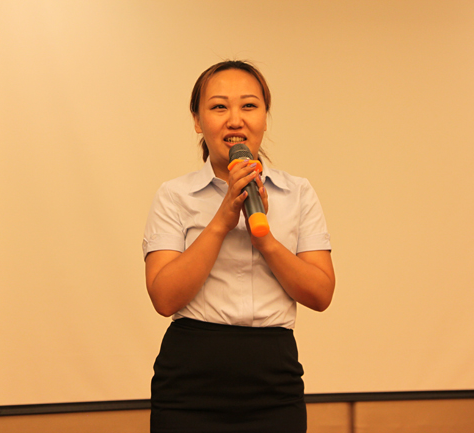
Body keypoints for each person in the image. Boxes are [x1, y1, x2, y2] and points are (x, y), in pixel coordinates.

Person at [142, 60, 335, 433]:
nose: (235, 120)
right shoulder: (174, 195)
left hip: (274, 382)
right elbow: (164, 299)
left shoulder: (298, 193)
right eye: (218, 107)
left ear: (265, 117)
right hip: (188, 385)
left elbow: (321, 293)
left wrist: (266, 241)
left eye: (249, 106)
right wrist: (222, 221)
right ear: (198, 121)